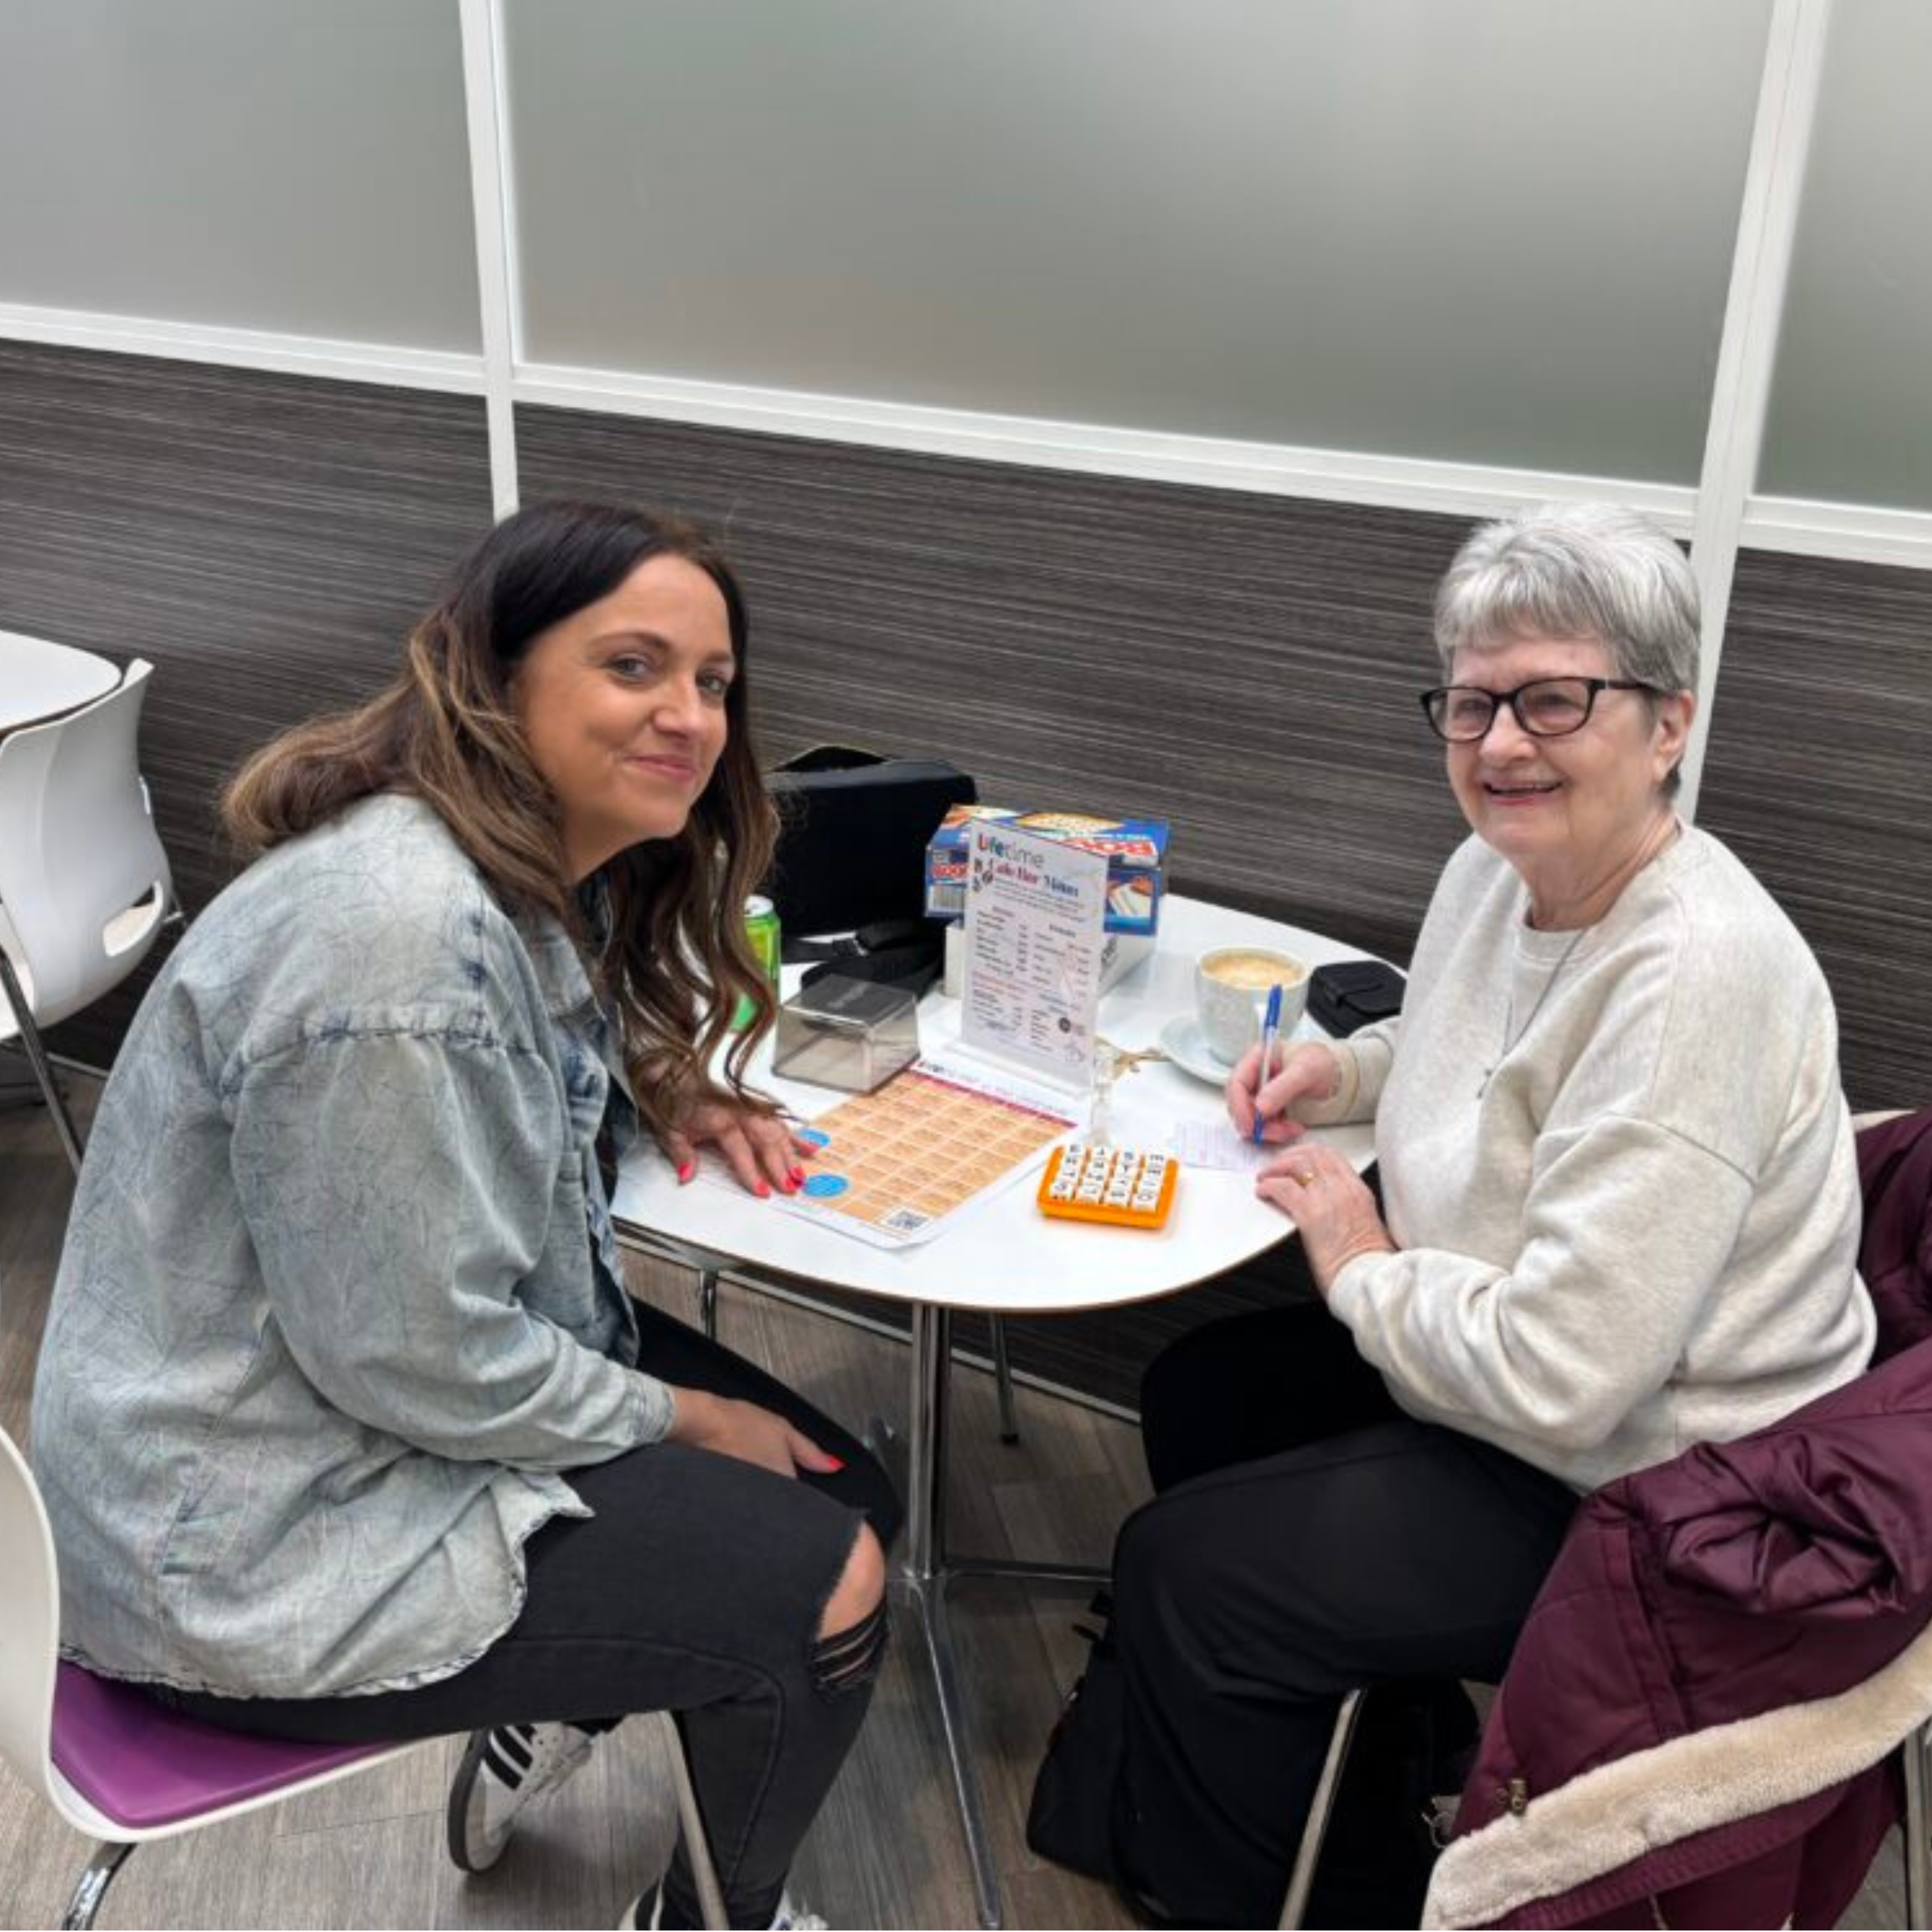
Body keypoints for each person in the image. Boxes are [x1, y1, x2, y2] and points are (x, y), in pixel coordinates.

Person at [30, 500, 902, 1932]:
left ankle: (567, 1697)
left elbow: (477, 1105)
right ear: (494, 679)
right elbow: (415, 1356)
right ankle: (712, 1914)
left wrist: (652, 1087)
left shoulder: (488, 875)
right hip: (254, 1541)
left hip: (324, 1411)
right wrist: (683, 1422)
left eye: (714, 683)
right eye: (635, 668)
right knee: (835, 1574)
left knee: (838, 1484)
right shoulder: (396, 939)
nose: (690, 716)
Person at [1098, 502, 1876, 1927]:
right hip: (1531, 1385)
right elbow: (1489, 1057)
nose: (1503, 743)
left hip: (1660, 1489)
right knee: (1201, 1391)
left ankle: (1325, 1894)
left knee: (1185, 1574)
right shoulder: (1501, 865)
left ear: (1668, 727)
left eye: (1555, 700)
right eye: (1470, 704)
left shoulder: (1693, 973)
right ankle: (1397, 1736)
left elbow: (1567, 1381)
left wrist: (1356, 1260)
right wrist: (1353, 1067)